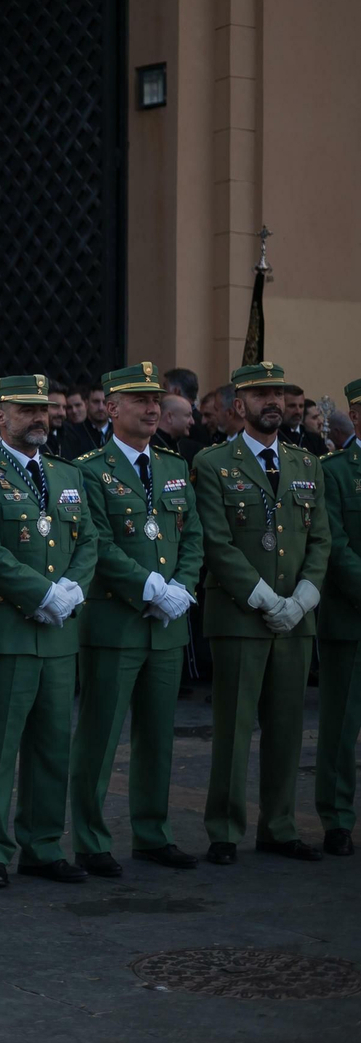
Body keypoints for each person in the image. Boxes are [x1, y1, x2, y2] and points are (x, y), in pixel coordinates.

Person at [68, 364, 203, 877]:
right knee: (100, 735)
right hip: (115, 621)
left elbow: (193, 536)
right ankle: (90, 839)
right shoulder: (88, 468)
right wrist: (147, 587)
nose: (152, 408)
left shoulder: (172, 465)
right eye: (139, 400)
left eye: (156, 400)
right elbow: (95, 540)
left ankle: (152, 832)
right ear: (111, 408)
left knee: (158, 735)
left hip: (166, 623)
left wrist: (182, 587)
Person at [0, 374, 97, 890]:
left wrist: (72, 590)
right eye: (26, 409)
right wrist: (38, 593)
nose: (40, 417)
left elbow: (88, 540)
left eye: (43, 408)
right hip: (6, 630)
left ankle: (43, 845)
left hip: (60, 633)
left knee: (51, 746)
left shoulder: (66, 474)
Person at [195, 361, 330, 865]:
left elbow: (321, 538)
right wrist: (263, 598)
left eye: (278, 393)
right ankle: (225, 830)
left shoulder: (306, 463)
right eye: (260, 394)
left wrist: (303, 599)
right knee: (233, 727)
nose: (271, 401)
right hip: (240, 616)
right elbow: (217, 541)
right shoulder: (213, 463)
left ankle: (279, 825)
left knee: (288, 727)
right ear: (239, 405)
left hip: (296, 618)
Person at [317, 378, 361, 856]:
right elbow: (335, 544)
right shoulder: (335, 471)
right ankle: (336, 817)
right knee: (339, 730)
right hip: (351, 616)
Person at [281, 382, 327, 457]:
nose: (298, 411)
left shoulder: (315, 440)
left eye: (301, 406)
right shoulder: (273, 437)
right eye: (292, 406)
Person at [46, 382, 69, 457]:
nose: (62, 413)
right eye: (55, 407)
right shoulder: (31, 442)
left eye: (64, 408)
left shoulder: (71, 438)